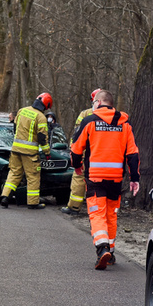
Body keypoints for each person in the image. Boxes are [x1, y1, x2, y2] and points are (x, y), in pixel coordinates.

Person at [70, 89, 140, 270]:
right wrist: (134, 178)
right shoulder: (124, 123)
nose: (93, 106)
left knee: (97, 213)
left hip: (95, 178)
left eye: (94, 103)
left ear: (100, 103)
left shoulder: (90, 121)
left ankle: (102, 249)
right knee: (111, 214)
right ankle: (111, 252)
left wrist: (76, 165)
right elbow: (132, 154)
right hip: (116, 180)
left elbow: (76, 149)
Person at [0, 92, 53, 209]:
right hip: (30, 153)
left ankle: (5, 196)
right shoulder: (41, 117)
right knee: (33, 176)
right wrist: (47, 153)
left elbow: (15, 127)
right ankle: (32, 203)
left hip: (15, 149)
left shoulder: (22, 110)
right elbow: (42, 138)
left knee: (14, 173)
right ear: (46, 106)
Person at [60, 88, 101, 216]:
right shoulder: (114, 115)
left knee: (79, 178)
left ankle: (74, 207)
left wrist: (74, 151)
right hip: (105, 156)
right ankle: (98, 210)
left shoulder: (85, 114)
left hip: (85, 153)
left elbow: (77, 135)